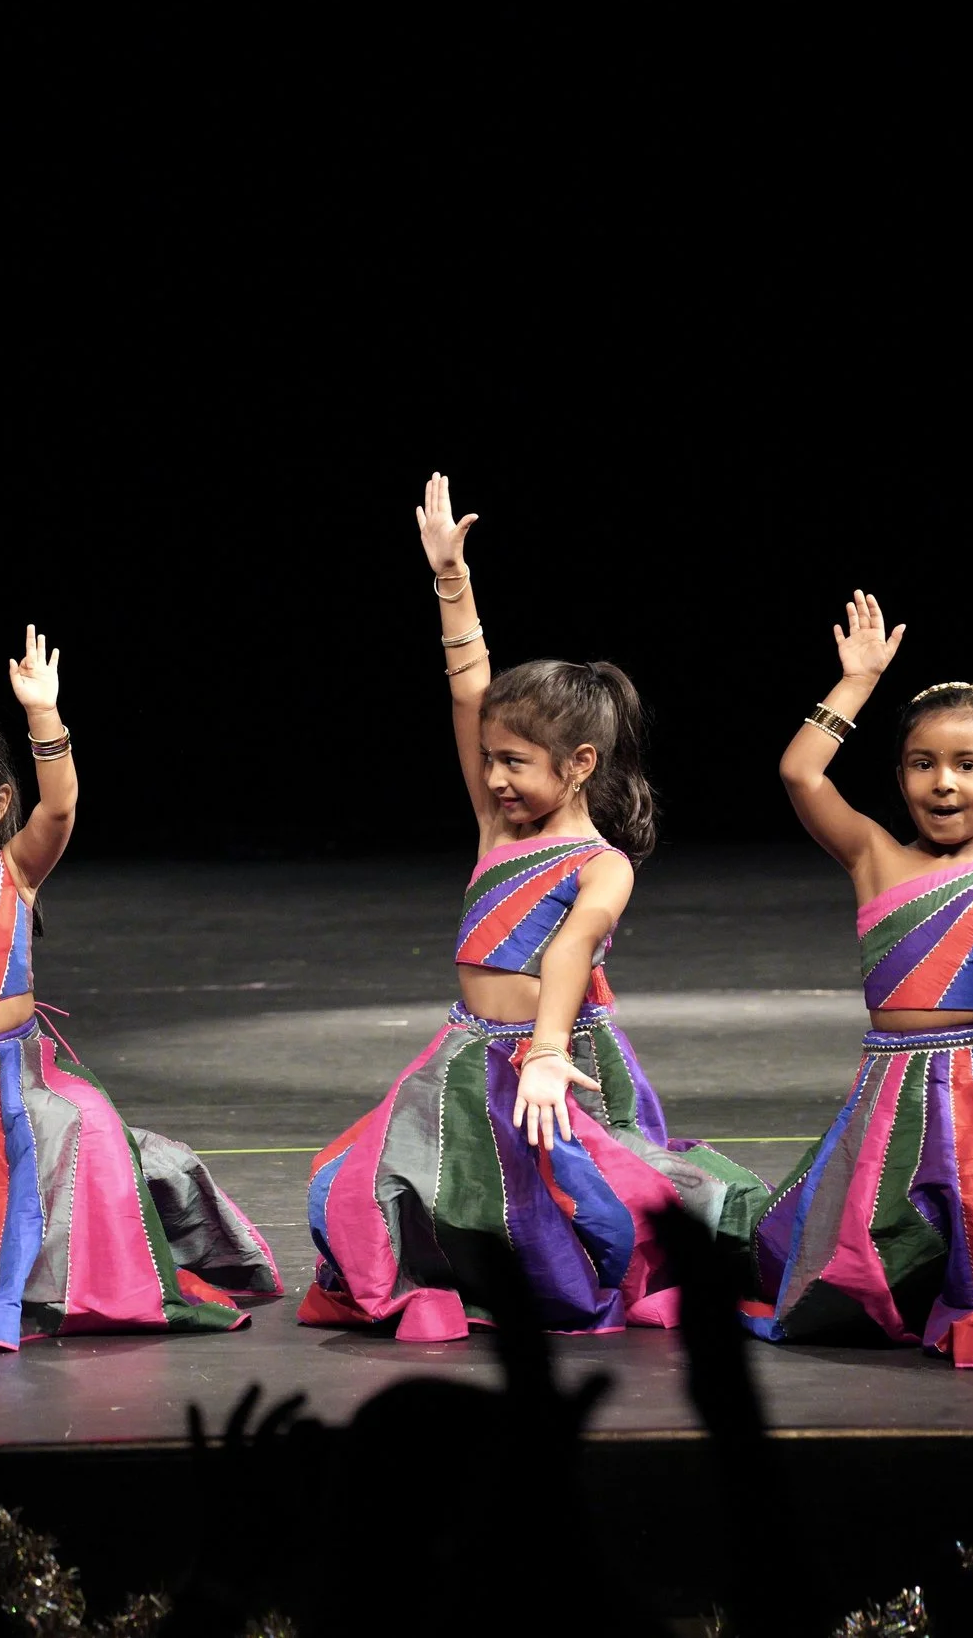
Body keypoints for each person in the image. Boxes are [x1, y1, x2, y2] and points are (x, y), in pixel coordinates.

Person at [302, 475, 766, 1342]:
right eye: (490, 760)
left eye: (517, 761)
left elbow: (568, 953)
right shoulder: (494, 825)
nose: (497, 777)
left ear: (580, 762)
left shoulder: (602, 863)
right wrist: (451, 578)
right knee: (370, 1185)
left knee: (569, 1207)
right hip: (466, 1052)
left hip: (553, 1057)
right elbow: (469, 686)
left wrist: (549, 1051)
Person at [0, 627, 280, 1349]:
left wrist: (44, 717)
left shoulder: (13, 868)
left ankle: (90, 1283)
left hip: (25, 1068)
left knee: (88, 1127)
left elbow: (60, 809)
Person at [745, 594, 973, 1369]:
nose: (943, 783)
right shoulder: (874, 856)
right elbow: (800, 771)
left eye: (968, 766)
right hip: (887, 1094)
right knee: (844, 1255)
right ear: (900, 775)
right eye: (923, 763)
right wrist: (856, 683)